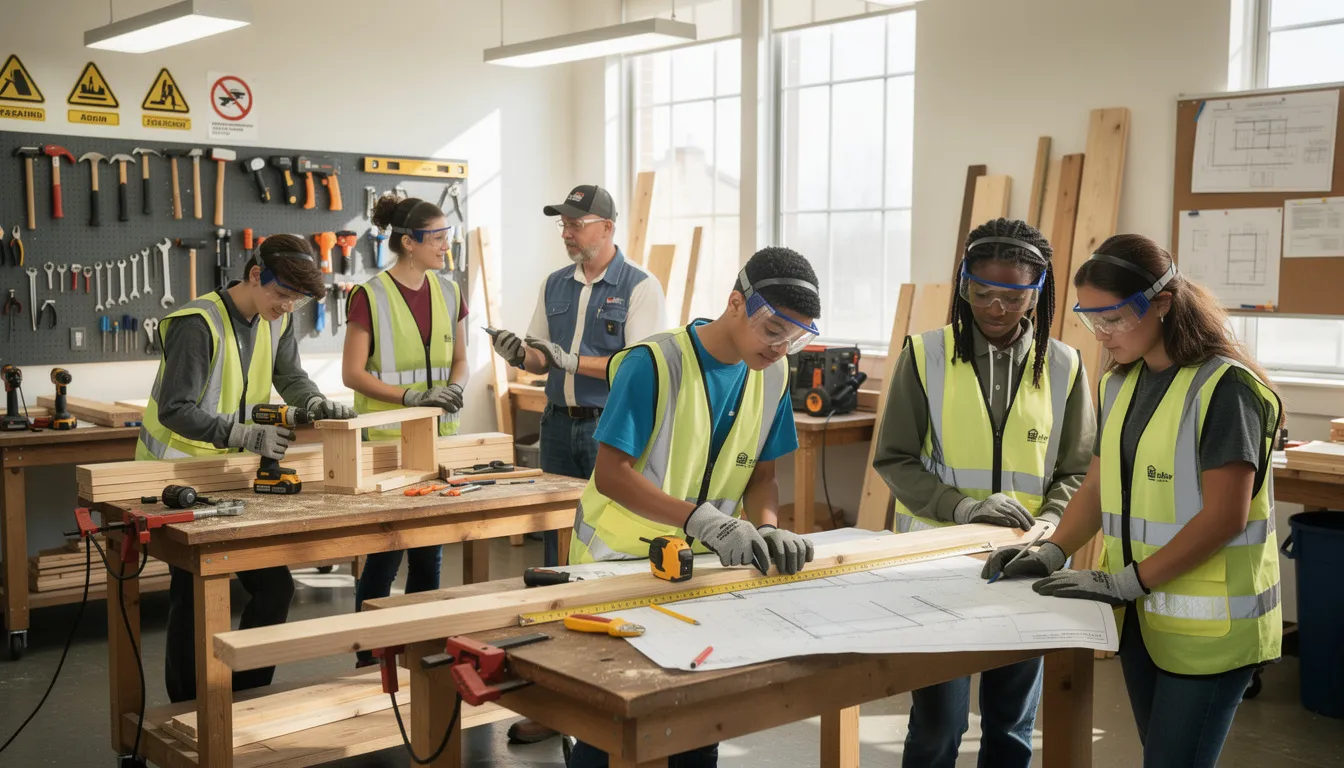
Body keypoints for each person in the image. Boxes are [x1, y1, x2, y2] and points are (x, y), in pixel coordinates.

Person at [982, 234, 1282, 768]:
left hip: (1211, 632)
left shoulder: (1225, 389)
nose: (1102, 334)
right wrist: (1051, 550)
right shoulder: (1121, 382)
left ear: (1162, 303)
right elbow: (1098, 487)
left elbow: (1225, 516)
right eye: (1090, 318)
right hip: (1142, 620)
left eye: (1115, 318)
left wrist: (1127, 581)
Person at [565, 246, 821, 768]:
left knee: (699, 720)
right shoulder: (654, 363)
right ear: (735, 303)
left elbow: (763, 477)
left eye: (795, 339)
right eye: (773, 330)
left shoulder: (771, 375)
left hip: (702, 571)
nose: (780, 348)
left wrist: (768, 528)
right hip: (616, 572)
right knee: (609, 727)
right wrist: (700, 519)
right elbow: (612, 477)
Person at [873, 218, 1094, 768]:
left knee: (1011, 724)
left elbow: (1078, 469)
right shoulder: (924, 355)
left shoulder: (1064, 364)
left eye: (1014, 295)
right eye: (981, 291)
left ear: (1038, 292)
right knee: (938, 725)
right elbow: (894, 458)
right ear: (962, 284)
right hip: (935, 563)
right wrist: (963, 508)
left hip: (1025, 566)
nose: (995, 307)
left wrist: (1048, 528)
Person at [136, 234, 354, 703]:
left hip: (232, 475)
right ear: (255, 275)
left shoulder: (277, 318)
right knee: (193, 595)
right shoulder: (197, 324)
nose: (287, 306)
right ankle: (188, 711)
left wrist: (313, 400)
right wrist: (238, 434)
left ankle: (244, 700)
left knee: (274, 589)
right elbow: (175, 409)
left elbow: (290, 375)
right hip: (177, 473)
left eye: (296, 300)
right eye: (281, 295)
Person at [490, 184, 667, 744]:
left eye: (577, 222)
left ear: (608, 228)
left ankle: (614, 685)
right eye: (562, 224)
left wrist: (571, 360)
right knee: (555, 555)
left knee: (609, 551)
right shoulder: (554, 284)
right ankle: (554, 698)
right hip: (558, 424)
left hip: (609, 430)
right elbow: (544, 355)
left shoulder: (640, 288)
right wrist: (525, 354)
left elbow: (641, 367)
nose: (567, 232)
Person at [343, 195, 470, 663]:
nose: (445, 245)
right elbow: (352, 374)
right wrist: (411, 398)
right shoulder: (369, 295)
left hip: (439, 443)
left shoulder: (452, 291)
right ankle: (368, 658)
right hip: (386, 446)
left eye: (446, 236)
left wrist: (456, 388)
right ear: (408, 242)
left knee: (428, 556)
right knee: (383, 556)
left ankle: (420, 651)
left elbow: (460, 360)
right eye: (437, 237)